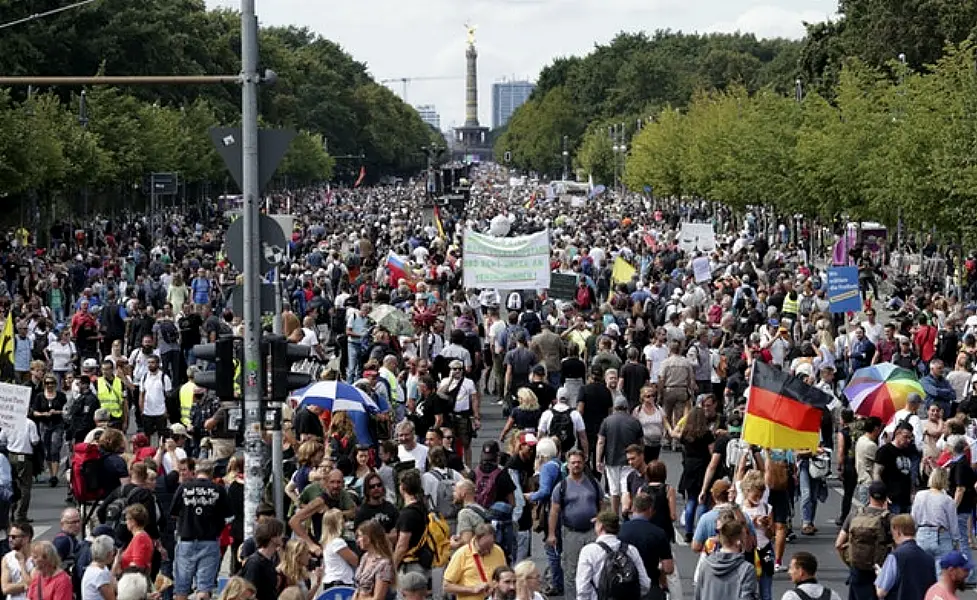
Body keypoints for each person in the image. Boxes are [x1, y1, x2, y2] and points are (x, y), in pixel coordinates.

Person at [170, 460, 233, 600]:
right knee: (204, 587)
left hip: (186, 539)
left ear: (195, 472)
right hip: (210, 540)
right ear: (211, 473)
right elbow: (229, 516)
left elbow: (173, 513)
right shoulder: (218, 489)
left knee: (181, 587)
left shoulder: (184, 488)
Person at [548, 449, 603, 600]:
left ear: (584, 463)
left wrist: (602, 522)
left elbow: (602, 505)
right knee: (571, 571)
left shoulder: (593, 483)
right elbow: (554, 512)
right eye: (573, 463)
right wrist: (552, 534)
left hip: (592, 532)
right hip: (571, 533)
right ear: (568, 465)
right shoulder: (562, 486)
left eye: (579, 462)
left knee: (595, 569)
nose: (576, 465)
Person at [835, 481, 893, 600]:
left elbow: (839, 543)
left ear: (869, 495)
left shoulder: (855, 514)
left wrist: (850, 561)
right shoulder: (889, 518)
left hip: (857, 569)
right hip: (880, 570)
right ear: (886, 497)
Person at [619, 493, 674, 600]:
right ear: (650, 509)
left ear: (633, 508)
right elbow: (668, 568)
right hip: (651, 585)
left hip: (624, 584)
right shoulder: (658, 533)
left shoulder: (620, 531)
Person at [596, 395, 644, 515]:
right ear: (627, 407)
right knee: (626, 489)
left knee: (614, 490)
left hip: (612, 460)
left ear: (615, 407)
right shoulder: (634, 422)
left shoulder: (607, 421)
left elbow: (601, 442)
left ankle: (614, 515)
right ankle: (628, 511)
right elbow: (641, 443)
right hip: (630, 461)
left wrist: (598, 460)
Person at [874, 514, 938, 600]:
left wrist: (880, 576)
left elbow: (881, 592)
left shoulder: (895, 557)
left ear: (897, 532)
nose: (892, 536)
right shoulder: (929, 558)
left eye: (892, 532)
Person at [911, 467, 961, 576]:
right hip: (941, 535)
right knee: (942, 574)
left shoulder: (920, 495)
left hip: (922, 533)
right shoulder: (948, 500)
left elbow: (914, 517)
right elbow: (953, 524)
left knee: (922, 573)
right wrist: (956, 542)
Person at [694, 518, 759, 600]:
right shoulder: (746, 569)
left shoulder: (705, 565)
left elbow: (698, 595)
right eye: (745, 537)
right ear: (738, 542)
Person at [443, 523, 506, 600]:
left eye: (490, 546)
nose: (487, 551)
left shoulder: (498, 550)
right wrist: (472, 590)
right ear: (476, 539)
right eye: (484, 547)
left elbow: (505, 576)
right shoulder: (461, 554)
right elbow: (446, 586)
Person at [874, 421, 917, 514]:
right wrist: (882, 494)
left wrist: (912, 493)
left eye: (910, 437)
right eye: (905, 437)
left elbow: (910, 475)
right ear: (897, 433)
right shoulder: (885, 451)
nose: (908, 440)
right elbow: (877, 473)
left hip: (906, 499)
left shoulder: (909, 451)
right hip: (891, 498)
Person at [239, 519, 286, 600]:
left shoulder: (269, 561)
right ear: (273, 538)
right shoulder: (254, 563)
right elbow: (248, 594)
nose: (283, 536)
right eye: (280, 533)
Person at [353, 520, 395, 600]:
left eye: (360, 536)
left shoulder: (384, 563)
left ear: (369, 537)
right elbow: (358, 588)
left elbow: (378, 598)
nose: (358, 540)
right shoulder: (365, 557)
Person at [320, 509, 357, 588]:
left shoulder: (327, 542)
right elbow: (354, 561)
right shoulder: (337, 542)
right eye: (342, 519)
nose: (344, 522)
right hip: (340, 581)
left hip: (331, 581)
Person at [1, 522, 34, 600]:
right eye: (9, 536)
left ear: (26, 538)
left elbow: (36, 585)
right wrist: (26, 585)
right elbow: (5, 588)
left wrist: (22, 564)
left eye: (14, 537)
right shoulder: (7, 558)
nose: (10, 540)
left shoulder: (37, 557)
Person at [81, 535, 117, 600]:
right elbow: (111, 598)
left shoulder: (93, 567)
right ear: (108, 554)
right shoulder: (100, 574)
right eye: (113, 551)